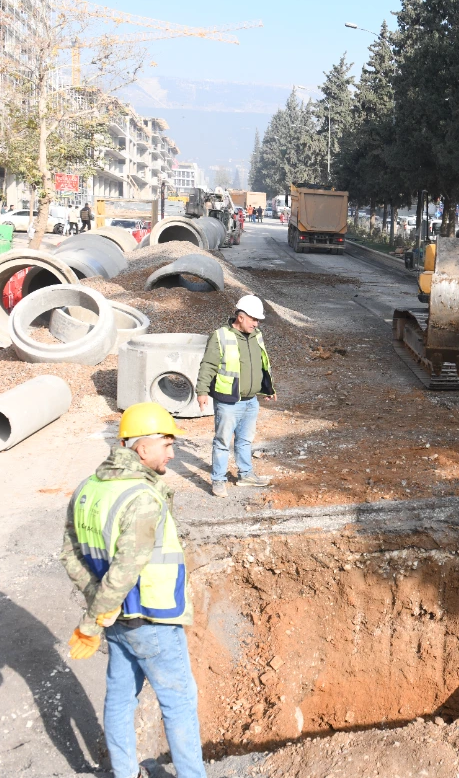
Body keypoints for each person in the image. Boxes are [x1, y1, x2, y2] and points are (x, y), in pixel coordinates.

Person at [61, 402, 207, 778]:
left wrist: (100, 604)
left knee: (120, 697)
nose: (172, 453)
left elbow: (70, 554)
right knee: (178, 702)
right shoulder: (141, 498)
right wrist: (93, 620)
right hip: (151, 618)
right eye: (167, 445)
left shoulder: (87, 488)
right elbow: (127, 569)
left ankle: (125, 772)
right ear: (142, 448)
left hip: (117, 619)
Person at [196, 295, 276, 498]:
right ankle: (218, 480)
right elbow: (208, 365)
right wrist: (202, 391)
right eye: (253, 319)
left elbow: (262, 364)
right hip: (228, 401)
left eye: (258, 320)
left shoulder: (256, 335)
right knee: (222, 442)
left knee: (245, 440)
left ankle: (245, 475)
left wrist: (268, 389)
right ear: (241, 317)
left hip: (251, 400)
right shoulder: (221, 336)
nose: (256, 323)